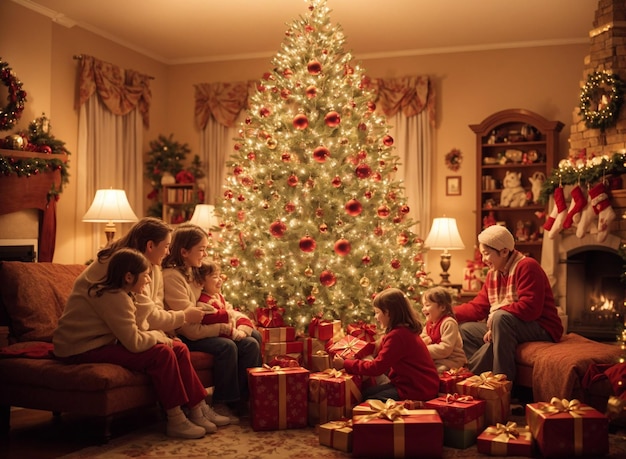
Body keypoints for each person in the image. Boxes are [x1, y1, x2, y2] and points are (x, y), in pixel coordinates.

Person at [53, 248, 220, 439]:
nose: (149, 281)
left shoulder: (128, 293)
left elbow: (141, 326)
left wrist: (163, 337)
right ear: (129, 277)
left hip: (103, 342)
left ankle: (197, 408)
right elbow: (134, 343)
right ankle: (176, 419)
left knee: (178, 347)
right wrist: (159, 337)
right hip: (81, 348)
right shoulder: (115, 297)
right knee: (162, 353)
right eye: (146, 276)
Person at [162, 224, 262, 422]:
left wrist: (237, 321)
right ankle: (223, 402)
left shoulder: (193, 272)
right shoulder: (172, 277)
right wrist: (223, 327)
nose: (205, 254)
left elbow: (214, 301)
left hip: (201, 327)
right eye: (201, 249)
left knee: (254, 338)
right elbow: (188, 327)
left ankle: (244, 400)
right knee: (227, 346)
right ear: (184, 251)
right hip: (185, 333)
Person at [454, 224, 563, 382]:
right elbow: (478, 307)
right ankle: (482, 379)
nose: (483, 260)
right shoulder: (494, 274)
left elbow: (530, 309)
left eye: (486, 254)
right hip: (510, 324)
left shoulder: (527, 266)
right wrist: (448, 313)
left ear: (504, 251)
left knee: (500, 319)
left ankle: (500, 383)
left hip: (542, 327)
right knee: (465, 329)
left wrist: (496, 320)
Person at [332, 288, 439, 402]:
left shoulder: (398, 336)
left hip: (417, 389)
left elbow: (376, 368)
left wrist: (345, 363)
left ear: (388, 313)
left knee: (371, 400)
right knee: (366, 393)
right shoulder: (401, 330)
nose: (376, 317)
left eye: (377, 312)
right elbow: (378, 348)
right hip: (412, 384)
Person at [420, 286, 467, 373]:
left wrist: (422, 349)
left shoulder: (449, 323)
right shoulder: (429, 324)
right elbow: (421, 340)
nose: (423, 309)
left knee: (438, 370)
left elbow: (445, 349)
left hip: (452, 361)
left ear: (442, 307)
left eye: (427, 305)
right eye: (423, 305)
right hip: (437, 359)